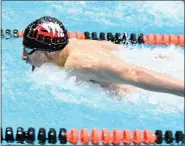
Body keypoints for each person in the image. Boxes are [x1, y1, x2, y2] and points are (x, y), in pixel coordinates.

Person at [21, 16, 184, 97]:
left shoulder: (79, 64)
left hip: (144, 94)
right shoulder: (72, 43)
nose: (23, 56)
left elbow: (136, 74)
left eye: (28, 49)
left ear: (49, 52)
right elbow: (122, 51)